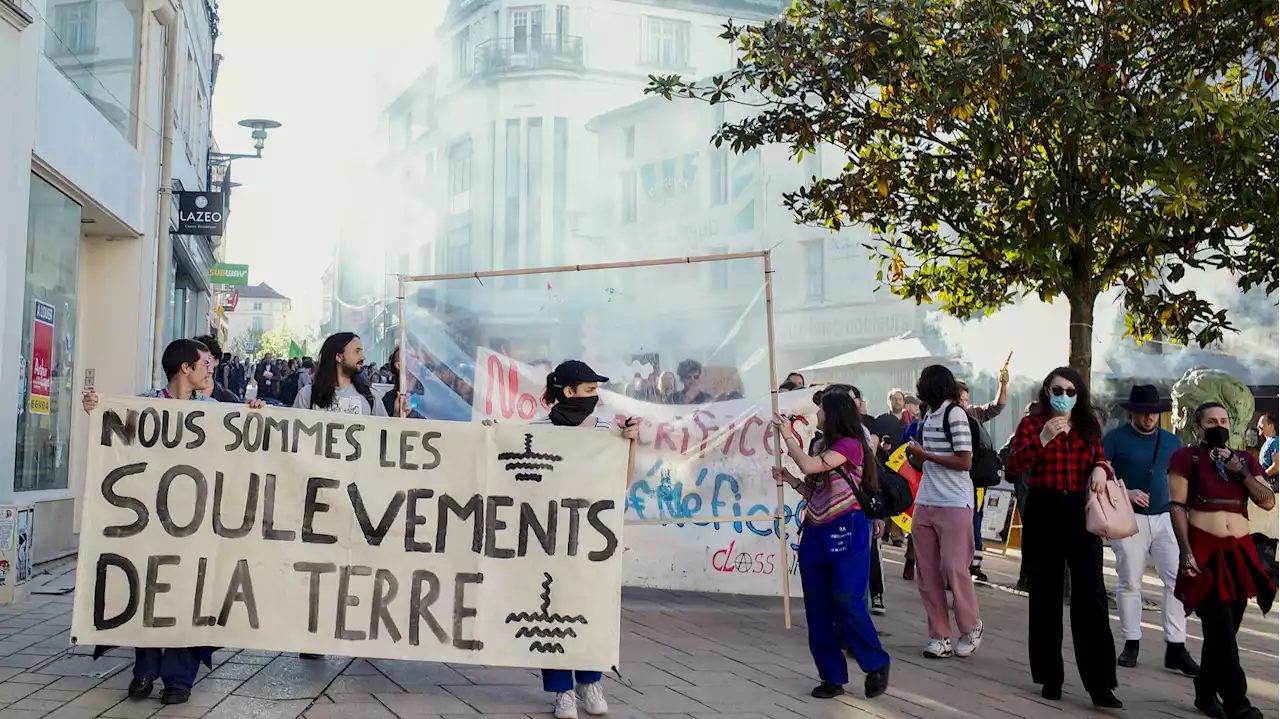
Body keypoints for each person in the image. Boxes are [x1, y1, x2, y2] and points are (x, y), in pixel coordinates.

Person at [81, 339, 261, 705]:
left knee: (190, 595)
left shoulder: (213, 409)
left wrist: (254, 413)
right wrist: (97, 410)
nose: (210, 369)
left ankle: (179, 678)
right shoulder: (147, 402)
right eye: (205, 364)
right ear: (185, 369)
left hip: (197, 522)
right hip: (152, 518)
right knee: (149, 590)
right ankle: (145, 670)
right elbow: (119, 432)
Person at [1006, 367, 1122, 708]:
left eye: (1072, 391)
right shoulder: (1031, 423)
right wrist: (1042, 439)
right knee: (1045, 592)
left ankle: (1101, 684)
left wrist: (1101, 467)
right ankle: (1049, 675)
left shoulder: (1088, 424)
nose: (1065, 396)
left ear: (1079, 395)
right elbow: (1013, 465)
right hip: (1044, 507)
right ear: (1047, 390)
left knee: (1091, 593)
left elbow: (1100, 458)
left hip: (1079, 508)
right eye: (1058, 389)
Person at [528, 359, 638, 719]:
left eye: (596, 390)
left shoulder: (606, 427)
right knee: (551, 607)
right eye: (589, 389)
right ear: (568, 392)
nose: (595, 396)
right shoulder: (537, 428)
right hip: (550, 533)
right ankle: (562, 691)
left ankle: (590, 680)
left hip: (593, 535)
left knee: (591, 606)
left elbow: (621, 480)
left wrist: (630, 444)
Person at [773, 392, 891, 701]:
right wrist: (788, 479)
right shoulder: (818, 445)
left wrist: (787, 437)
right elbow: (813, 488)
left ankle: (876, 663)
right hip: (815, 529)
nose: (818, 413)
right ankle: (832, 675)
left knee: (847, 599)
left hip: (847, 529)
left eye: (821, 409)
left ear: (835, 413)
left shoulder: (851, 446)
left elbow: (811, 467)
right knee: (817, 605)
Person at [1168, 402, 1276, 719]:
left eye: (1224, 420)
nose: (1219, 425)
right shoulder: (1186, 457)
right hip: (1204, 553)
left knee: (1225, 630)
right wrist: (1186, 551)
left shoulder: (1244, 459)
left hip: (1238, 555)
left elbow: (1267, 500)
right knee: (1220, 628)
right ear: (1198, 427)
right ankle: (1237, 703)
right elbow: (1177, 506)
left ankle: (1205, 689)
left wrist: (1240, 472)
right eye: (1212, 421)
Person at [1103, 385, 1197, 675]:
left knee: (1176, 581)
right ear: (1132, 412)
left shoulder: (1172, 441)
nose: (1149, 418)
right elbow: (1100, 475)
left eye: (1154, 413)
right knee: (1130, 582)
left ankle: (1177, 645)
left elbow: (1183, 477)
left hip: (1167, 517)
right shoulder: (1114, 439)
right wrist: (1126, 492)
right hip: (1130, 520)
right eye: (1144, 413)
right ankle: (1131, 642)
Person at [903, 366, 983, 660]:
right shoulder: (928, 417)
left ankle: (971, 626)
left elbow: (965, 461)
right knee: (927, 573)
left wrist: (926, 456)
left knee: (953, 568)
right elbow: (925, 462)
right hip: (926, 500)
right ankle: (939, 635)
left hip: (954, 501)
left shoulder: (955, 415)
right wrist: (917, 457)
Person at [956, 373, 1008, 582]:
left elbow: (997, 406)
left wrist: (1003, 384)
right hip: (951, 481)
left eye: (965, 400)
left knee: (974, 519)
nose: (963, 405)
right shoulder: (938, 419)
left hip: (973, 480)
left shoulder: (972, 415)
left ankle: (974, 564)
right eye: (960, 400)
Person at [294, 333, 387, 417]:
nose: (363, 357)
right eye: (357, 351)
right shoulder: (307, 395)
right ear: (338, 357)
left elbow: (387, 431)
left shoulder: (371, 396)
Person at [195, 335, 240, 403]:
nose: (198, 364)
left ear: (216, 361)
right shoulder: (179, 395)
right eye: (194, 360)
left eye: (206, 361)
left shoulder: (229, 399)